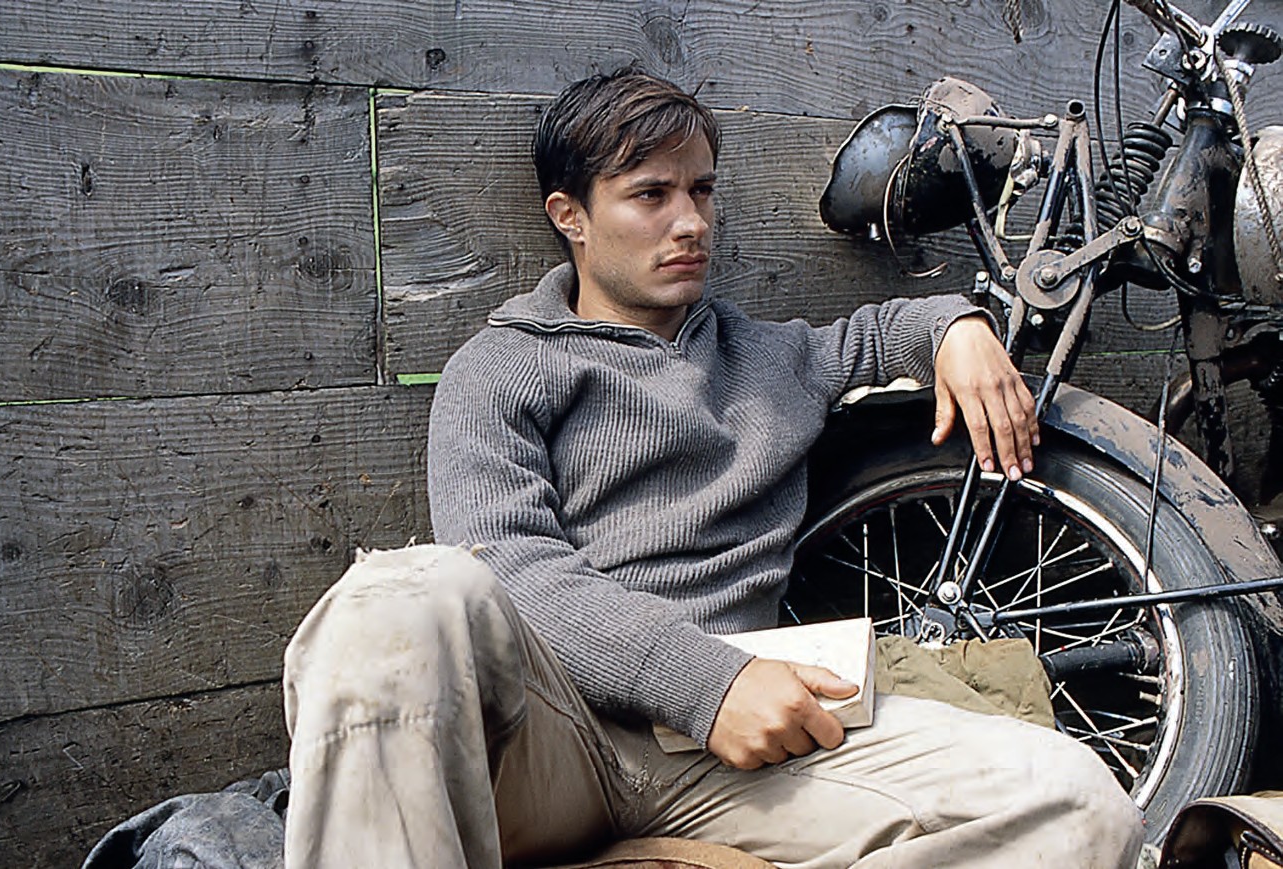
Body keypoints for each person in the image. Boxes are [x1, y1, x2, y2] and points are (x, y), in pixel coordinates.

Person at [281, 68, 1146, 868]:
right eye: (649, 195)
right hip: (551, 738)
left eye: (701, 190)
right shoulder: (497, 368)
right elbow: (510, 566)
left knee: (1076, 803)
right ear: (569, 216)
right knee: (395, 596)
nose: (690, 222)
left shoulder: (770, 358)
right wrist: (705, 681)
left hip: (731, 759)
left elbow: (880, 334)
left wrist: (956, 326)